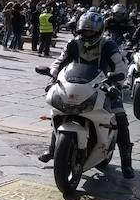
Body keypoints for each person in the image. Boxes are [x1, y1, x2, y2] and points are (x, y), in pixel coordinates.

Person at [39, 12, 135, 179]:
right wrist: (53, 75)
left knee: (120, 116)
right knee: (60, 111)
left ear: (99, 31)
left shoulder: (108, 45)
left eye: (90, 32)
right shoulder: (73, 43)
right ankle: (53, 147)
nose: (87, 35)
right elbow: (59, 61)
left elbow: (121, 66)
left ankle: (126, 162)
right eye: (84, 31)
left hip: (104, 85)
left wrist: (117, 84)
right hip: (76, 85)